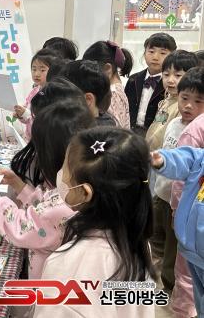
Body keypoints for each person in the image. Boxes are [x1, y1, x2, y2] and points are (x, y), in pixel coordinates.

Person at [0, 99, 94, 279]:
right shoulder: (75, 191)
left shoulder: (65, 207)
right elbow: (45, 206)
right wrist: (19, 185)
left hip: (43, 283)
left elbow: (18, 227)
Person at [34, 127, 156, 318]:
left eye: (65, 168)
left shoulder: (69, 266)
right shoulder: (134, 240)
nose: (60, 174)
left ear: (84, 192)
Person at [149, 67, 204, 306]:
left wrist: (178, 208)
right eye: (185, 98)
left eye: (198, 101)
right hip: (167, 198)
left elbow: (186, 172)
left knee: (181, 260)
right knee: (161, 244)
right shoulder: (176, 124)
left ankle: (178, 298)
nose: (189, 105)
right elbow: (180, 159)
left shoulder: (196, 130)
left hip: (186, 210)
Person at [151, 146, 204, 317]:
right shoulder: (200, 159)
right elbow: (188, 158)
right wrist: (163, 160)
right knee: (199, 300)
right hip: (192, 251)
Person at [146, 50, 198, 151]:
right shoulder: (167, 98)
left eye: (177, 75)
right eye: (166, 74)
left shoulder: (184, 106)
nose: (170, 80)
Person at [125, 32, 177, 134]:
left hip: (156, 134)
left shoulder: (171, 84)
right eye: (151, 51)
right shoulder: (133, 79)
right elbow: (126, 108)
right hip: (131, 131)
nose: (155, 57)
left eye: (163, 53)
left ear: (172, 56)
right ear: (144, 53)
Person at [83, 40, 133, 128]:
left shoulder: (113, 94)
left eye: (92, 70)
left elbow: (114, 130)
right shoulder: (114, 90)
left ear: (107, 68)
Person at [13, 48, 61, 140]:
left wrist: (26, 114)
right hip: (30, 139)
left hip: (43, 142)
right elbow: (27, 119)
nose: (36, 74)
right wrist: (21, 115)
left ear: (54, 71)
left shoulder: (54, 95)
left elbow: (45, 124)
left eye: (42, 70)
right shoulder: (34, 91)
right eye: (34, 69)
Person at [57, 60, 116, 126]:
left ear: (88, 99)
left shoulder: (80, 130)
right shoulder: (107, 123)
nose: (57, 102)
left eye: (63, 95)